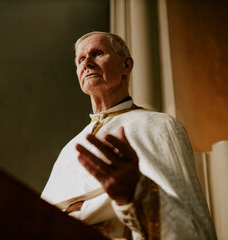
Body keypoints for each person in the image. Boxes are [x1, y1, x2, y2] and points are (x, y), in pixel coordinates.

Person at [41, 31, 216, 239]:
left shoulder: (159, 126)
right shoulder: (70, 149)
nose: (87, 62)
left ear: (126, 66)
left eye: (97, 53)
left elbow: (188, 221)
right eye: (80, 59)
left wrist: (136, 194)